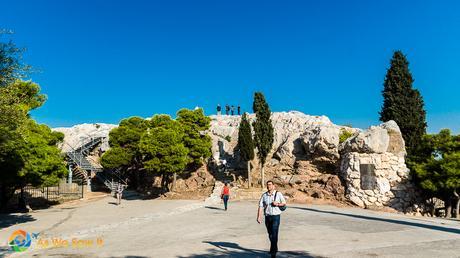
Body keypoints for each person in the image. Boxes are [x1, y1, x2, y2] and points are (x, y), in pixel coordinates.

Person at [257, 180, 286, 257]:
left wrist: (277, 204)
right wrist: (259, 217)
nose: (268, 186)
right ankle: (274, 247)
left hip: (276, 217)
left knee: (274, 233)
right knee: (270, 234)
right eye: (267, 185)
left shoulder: (278, 194)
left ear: (273, 186)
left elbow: (284, 203)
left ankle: (273, 252)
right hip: (267, 216)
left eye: (270, 185)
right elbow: (260, 206)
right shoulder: (264, 195)